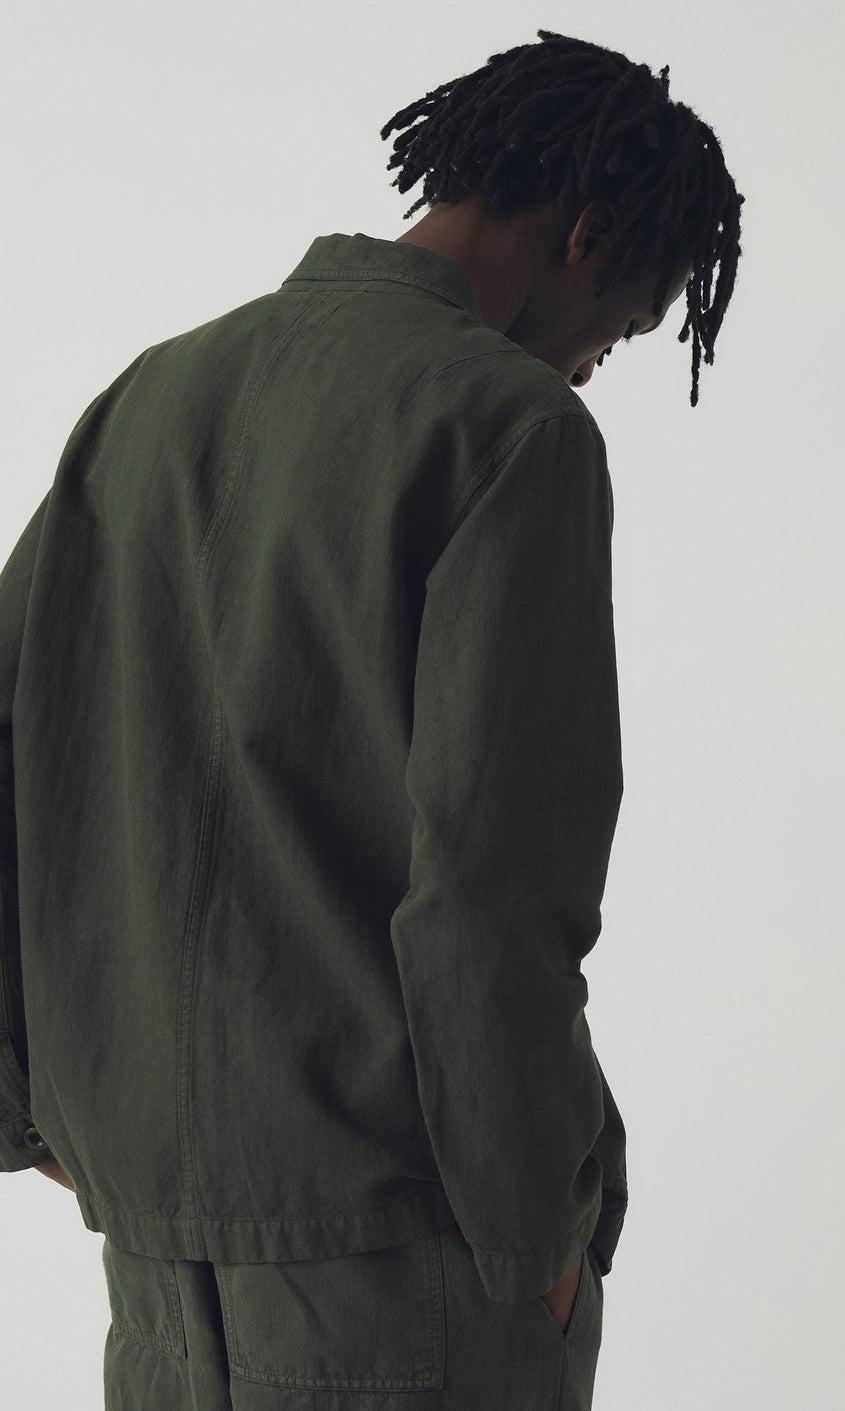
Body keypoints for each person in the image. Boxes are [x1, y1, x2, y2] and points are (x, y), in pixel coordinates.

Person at [0, 27, 743, 1410]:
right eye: (627, 327)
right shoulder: (510, 428)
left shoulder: (148, 397)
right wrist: (537, 1233)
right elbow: (492, 895)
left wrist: (20, 1099)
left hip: (156, 1275)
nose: (595, 365)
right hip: (414, 1266)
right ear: (587, 237)